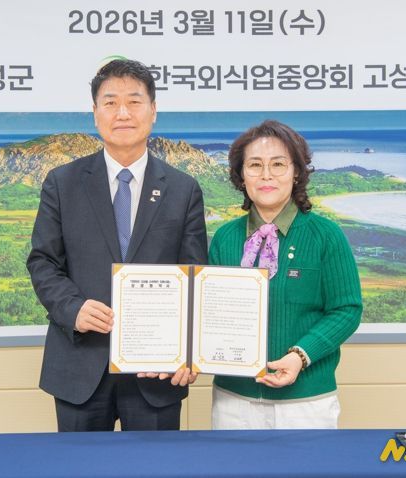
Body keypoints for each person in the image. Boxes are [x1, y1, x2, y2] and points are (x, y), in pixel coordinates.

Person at [27, 59, 207, 432]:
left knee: (153, 462)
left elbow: (195, 275)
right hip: (81, 363)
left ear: (153, 111)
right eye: (110, 102)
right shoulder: (62, 183)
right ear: (95, 114)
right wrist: (73, 308)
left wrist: (189, 350)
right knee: (81, 463)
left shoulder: (183, 189)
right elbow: (43, 262)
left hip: (156, 370)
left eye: (134, 102)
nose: (122, 113)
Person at [208, 120, 362, 429]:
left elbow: (347, 310)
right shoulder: (224, 238)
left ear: (296, 173)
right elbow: (208, 311)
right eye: (255, 165)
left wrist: (300, 356)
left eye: (278, 164)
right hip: (233, 400)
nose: (266, 175)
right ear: (241, 176)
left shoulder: (326, 235)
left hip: (306, 402)